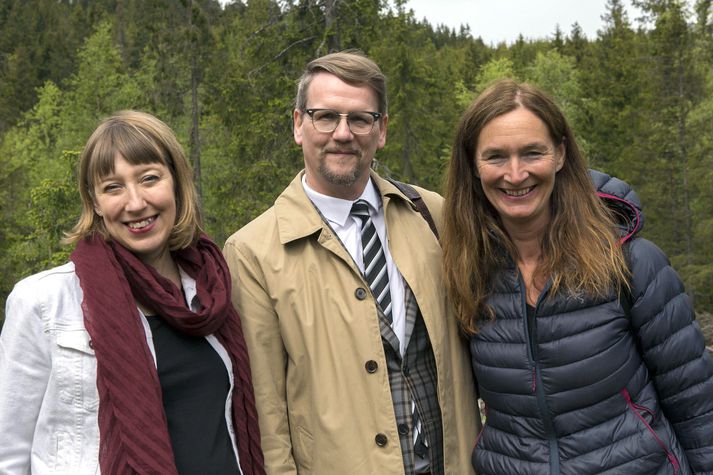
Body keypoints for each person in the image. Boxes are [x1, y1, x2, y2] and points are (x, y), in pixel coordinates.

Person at [223, 51, 480, 474]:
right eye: (325, 116)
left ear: (381, 131)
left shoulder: (431, 214)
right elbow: (267, 413)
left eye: (360, 119)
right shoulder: (253, 252)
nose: (343, 133)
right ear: (298, 125)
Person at [442, 78, 713, 474]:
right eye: (496, 157)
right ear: (472, 164)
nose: (515, 175)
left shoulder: (630, 262)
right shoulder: (465, 270)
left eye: (532, 152)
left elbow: (697, 403)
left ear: (560, 154)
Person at [0, 110, 265, 474]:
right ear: (94, 202)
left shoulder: (213, 293)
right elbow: (8, 454)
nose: (136, 202)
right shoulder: (43, 303)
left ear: (177, 182)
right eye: (113, 187)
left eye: (149, 178)